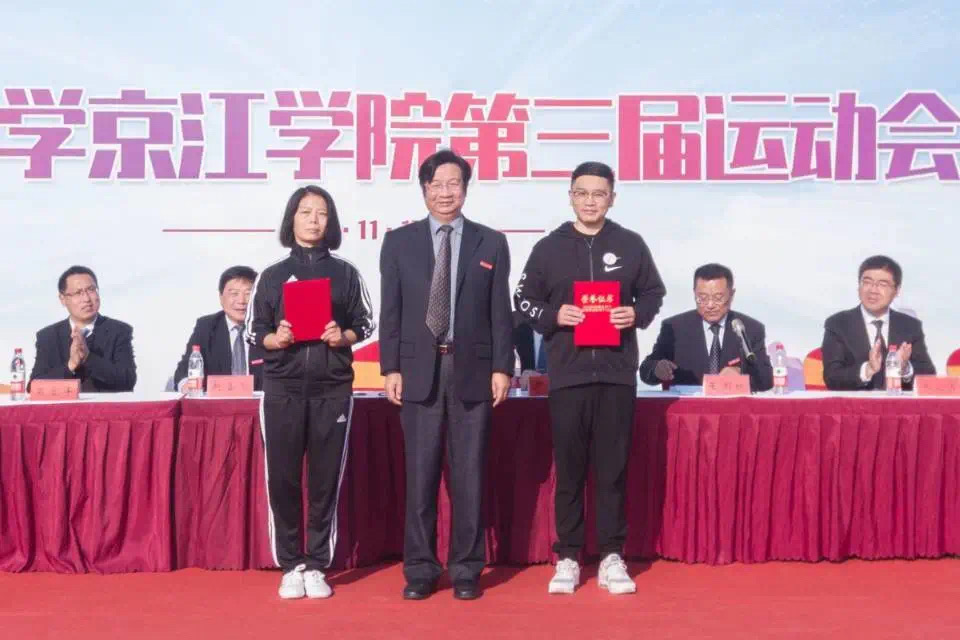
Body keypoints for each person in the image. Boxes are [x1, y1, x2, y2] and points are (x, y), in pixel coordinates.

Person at [513, 161, 666, 595]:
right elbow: (523, 300)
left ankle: (612, 555)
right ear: (571, 197)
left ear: (612, 198)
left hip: (617, 376)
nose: (590, 201)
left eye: (599, 193)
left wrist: (635, 313)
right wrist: (553, 315)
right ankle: (568, 555)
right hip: (568, 376)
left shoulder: (630, 244)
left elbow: (653, 292)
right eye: (582, 193)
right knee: (571, 469)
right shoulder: (549, 248)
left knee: (612, 470)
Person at [379, 149, 513, 601]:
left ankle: (466, 568)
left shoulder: (490, 242)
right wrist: (391, 367)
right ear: (423, 190)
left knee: (469, 475)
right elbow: (391, 311)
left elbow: (500, 312)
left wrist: (502, 366)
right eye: (436, 184)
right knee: (420, 476)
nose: (444, 192)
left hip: (471, 369)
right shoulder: (398, 243)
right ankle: (420, 568)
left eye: (453, 183)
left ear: (465, 189)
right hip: (418, 370)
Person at [246, 185, 375, 599]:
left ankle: (317, 564)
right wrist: (276, 339)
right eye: (305, 212)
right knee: (282, 479)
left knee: (324, 479)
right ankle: (291, 565)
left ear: (331, 222)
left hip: (331, 388)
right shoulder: (271, 275)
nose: (314, 220)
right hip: (282, 387)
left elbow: (366, 322)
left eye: (321, 213)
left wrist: (343, 335)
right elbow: (253, 330)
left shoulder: (346, 273)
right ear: (292, 219)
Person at [639, 263, 773, 391]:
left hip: (732, 406)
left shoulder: (750, 329)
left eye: (718, 298)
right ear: (694, 294)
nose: (710, 305)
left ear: (731, 295)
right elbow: (645, 370)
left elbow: (766, 379)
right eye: (702, 298)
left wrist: (740, 374)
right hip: (689, 406)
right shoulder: (674, 327)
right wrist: (656, 369)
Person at [822, 255, 935, 390]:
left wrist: (905, 368)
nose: (873, 290)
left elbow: (928, 375)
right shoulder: (838, 324)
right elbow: (832, 377)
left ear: (896, 291)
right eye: (867, 282)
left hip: (898, 402)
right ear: (859, 286)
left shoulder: (910, 326)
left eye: (882, 284)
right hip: (857, 403)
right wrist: (868, 369)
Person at [29, 265, 136, 392]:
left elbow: (128, 380)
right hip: (66, 405)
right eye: (78, 293)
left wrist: (88, 358)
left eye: (91, 290)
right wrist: (71, 365)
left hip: (105, 404)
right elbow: (34, 388)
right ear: (63, 299)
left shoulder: (119, 331)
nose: (86, 299)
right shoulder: (48, 337)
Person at [172, 265, 264, 391]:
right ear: (221, 297)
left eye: (248, 294)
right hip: (218, 401)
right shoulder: (206, 327)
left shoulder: (267, 328)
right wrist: (187, 385)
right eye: (234, 294)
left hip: (260, 401)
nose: (241, 301)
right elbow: (183, 371)